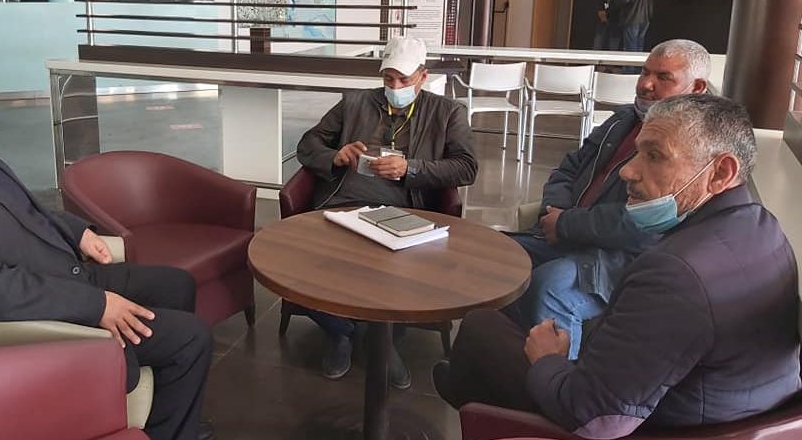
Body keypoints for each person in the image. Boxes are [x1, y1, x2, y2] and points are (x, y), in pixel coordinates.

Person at [0, 41, 214, 440]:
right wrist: (98, 306)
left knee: (176, 283)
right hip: (35, 315)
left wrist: (77, 232)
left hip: (56, 273)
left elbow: (21, 207)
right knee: (191, 338)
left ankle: (166, 399)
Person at [435, 94, 801, 438]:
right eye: (637, 152)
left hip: (648, 427)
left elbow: (595, 419)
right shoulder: (764, 228)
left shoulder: (676, 273)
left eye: (654, 156)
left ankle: (472, 402)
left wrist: (549, 360)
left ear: (720, 173)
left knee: (481, 326)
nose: (628, 171)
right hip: (714, 410)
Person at [507, 39, 710, 358]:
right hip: (567, 233)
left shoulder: (692, 148)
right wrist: (555, 211)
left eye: (663, 77)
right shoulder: (622, 120)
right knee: (500, 257)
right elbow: (569, 167)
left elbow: (646, 223)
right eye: (644, 72)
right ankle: (500, 360)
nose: (646, 84)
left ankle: (557, 382)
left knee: (550, 285)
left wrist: (567, 223)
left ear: (696, 88)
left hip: (620, 257)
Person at [295, 35, 478, 388]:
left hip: (404, 209)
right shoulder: (355, 103)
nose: (394, 88)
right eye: (388, 79)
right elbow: (308, 143)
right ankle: (348, 332)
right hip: (343, 203)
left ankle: (366, 336)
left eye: (403, 80)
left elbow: (466, 167)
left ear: (422, 77)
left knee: (389, 273)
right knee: (302, 267)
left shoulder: (447, 112)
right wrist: (335, 155)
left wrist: (411, 168)